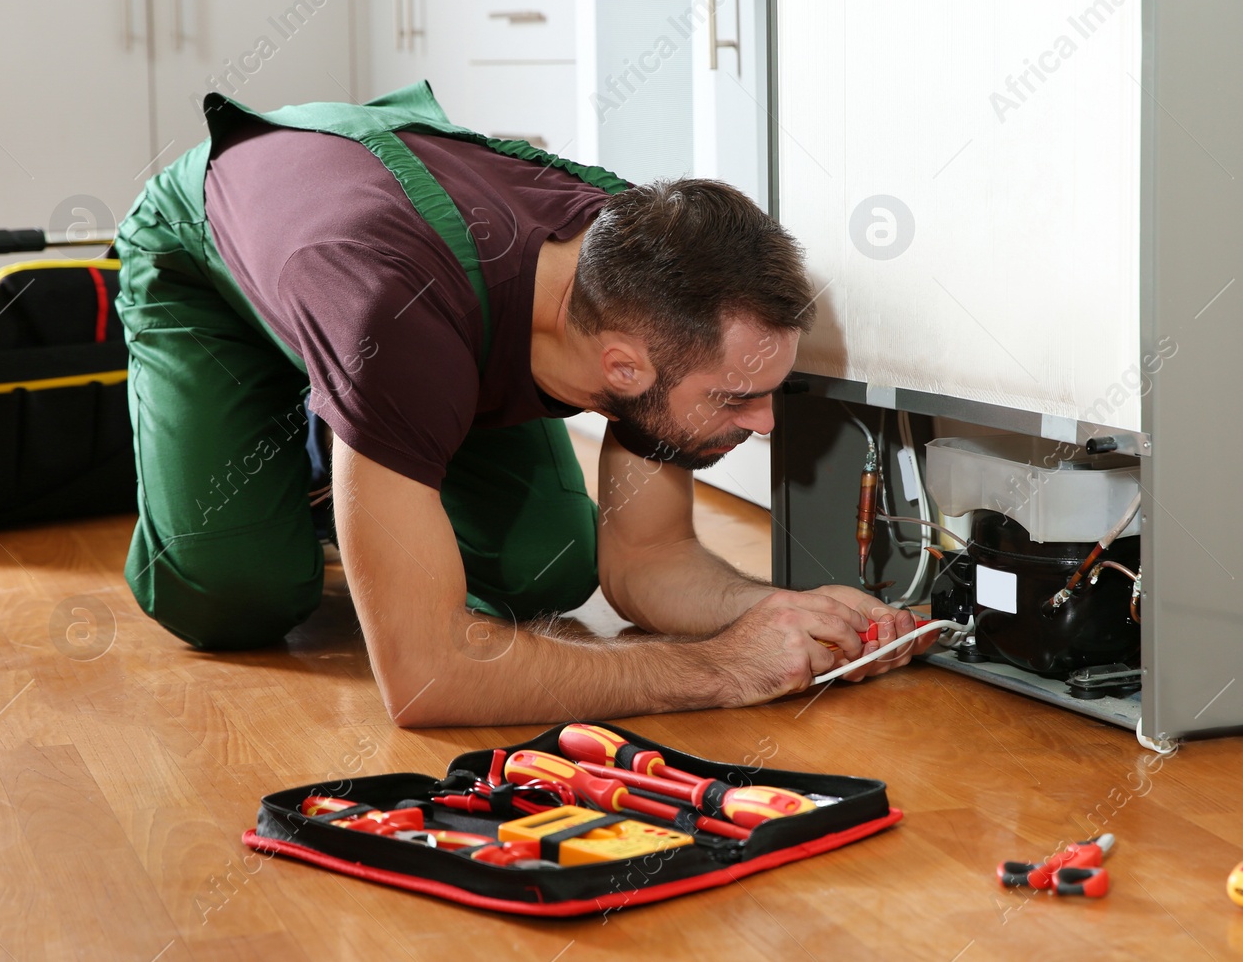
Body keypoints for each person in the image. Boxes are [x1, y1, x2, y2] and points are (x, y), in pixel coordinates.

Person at [114, 83, 938, 726]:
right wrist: (721, 669)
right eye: (738, 399)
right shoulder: (395, 320)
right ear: (620, 366)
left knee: (547, 567)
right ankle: (333, 454)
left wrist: (780, 615)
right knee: (239, 592)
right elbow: (427, 677)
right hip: (211, 256)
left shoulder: (645, 272)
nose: (766, 425)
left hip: (395, 291)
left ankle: (373, 476)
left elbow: (645, 560)